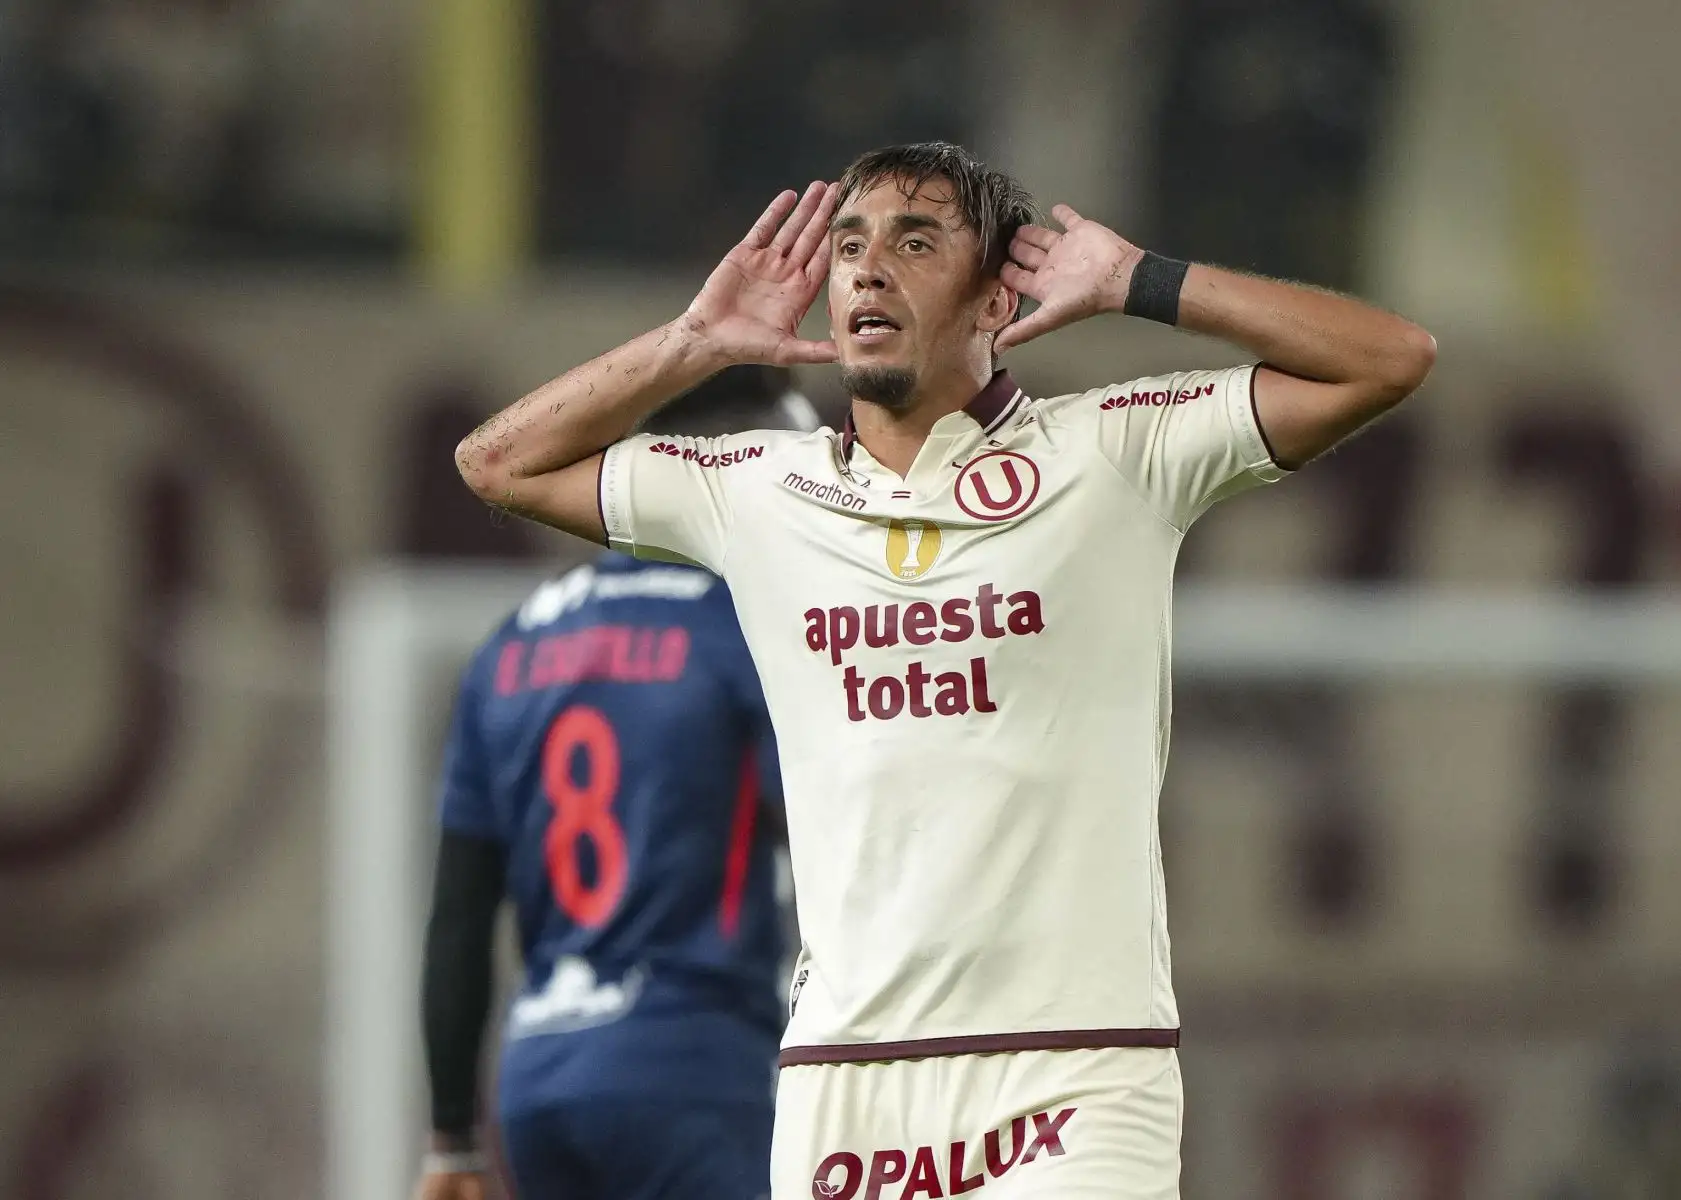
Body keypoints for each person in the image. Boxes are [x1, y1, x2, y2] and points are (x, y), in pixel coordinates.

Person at [454, 142, 1436, 1197]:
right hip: (845, 1088)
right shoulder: (753, 490)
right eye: (850, 245)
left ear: (995, 298)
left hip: (1072, 1078)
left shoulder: (1116, 453)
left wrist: (1136, 281)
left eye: (917, 242)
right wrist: (696, 343)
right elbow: (497, 463)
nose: (869, 269)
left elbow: (1389, 358)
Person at [417, 367, 816, 1200]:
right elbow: (838, 847)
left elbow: (458, 913)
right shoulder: (742, 630)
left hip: (539, 1086)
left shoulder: (506, 652)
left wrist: (453, 1132)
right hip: (697, 1068)